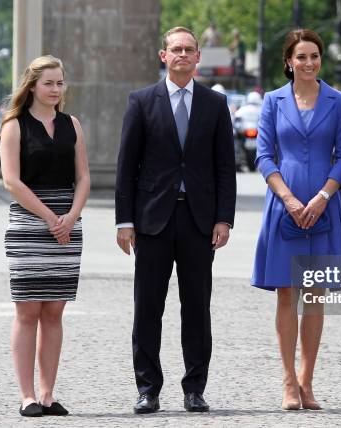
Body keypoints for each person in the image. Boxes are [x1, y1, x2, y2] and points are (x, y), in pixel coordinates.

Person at [115, 26, 236, 414]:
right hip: (152, 221)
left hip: (200, 220)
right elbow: (126, 167)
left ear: (198, 57)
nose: (182, 55)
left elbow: (224, 168)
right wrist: (124, 221)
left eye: (189, 49)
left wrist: (224, 219)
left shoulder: (215, 105)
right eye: (175, 50)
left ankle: (194, 388)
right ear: (163, 56)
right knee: (148, 308)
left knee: (196, 308)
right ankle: (148, 388)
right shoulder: (141, 101)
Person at [251, 29, 341, 410]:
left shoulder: (338, 101)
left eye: (314, 56)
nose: (309, 63)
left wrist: (324, 196)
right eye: (301, 57)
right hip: (284, 205)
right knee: (286, 293)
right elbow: (264, 156)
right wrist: (290, 199)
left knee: (315, 295)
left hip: (325, 206)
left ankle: (308, 383)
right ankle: (288, 381)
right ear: (289, 61)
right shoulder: (273, 102)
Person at [0, 55, 90, 417]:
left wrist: (71, 217)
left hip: (67, 224)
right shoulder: (14, 126)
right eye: (49, 83)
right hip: (29, 224)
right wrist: (52, 217)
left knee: (54, 312)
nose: (55, 89)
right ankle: (27, 396)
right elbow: (12, 182)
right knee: (27, 312)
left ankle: (48, 394)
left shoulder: (73, 124)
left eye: (60, 82)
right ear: (32, 85)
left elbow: (83, 177)